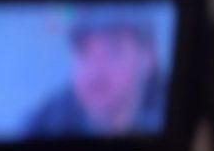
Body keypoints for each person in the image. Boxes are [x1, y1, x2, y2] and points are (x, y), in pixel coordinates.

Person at [27, 8, 167, 137]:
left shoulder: (169, 112)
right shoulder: (42, 126)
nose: (96, 68)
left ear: (148, 59)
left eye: (113, 50)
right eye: (84, 51)